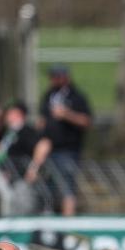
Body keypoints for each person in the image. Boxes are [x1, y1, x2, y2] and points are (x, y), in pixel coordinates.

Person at [38, 64, 92, 216]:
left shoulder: (76, 97)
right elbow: (42, 118)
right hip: (48, 149)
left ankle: (68, 220)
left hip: (68, 150)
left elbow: (86, 121)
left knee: (67, 187)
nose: (53, 80)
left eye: (56, 76)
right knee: (47, 187)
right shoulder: (48, 95)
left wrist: (67, 115)